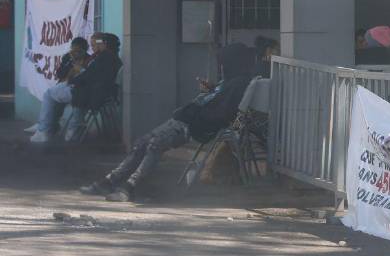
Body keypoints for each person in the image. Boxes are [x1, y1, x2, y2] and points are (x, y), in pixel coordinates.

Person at [80, 43, 254, 202]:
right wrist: (210, 91)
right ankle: (110, 181)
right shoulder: (231, 81)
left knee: (155, 145)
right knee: (141, 143)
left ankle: (130, 186)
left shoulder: (239, 84)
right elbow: (219, 100)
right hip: (186, 120)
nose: (221, 67)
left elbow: (225, 113)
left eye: (223, 63)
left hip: (194, 125)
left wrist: (199, 112)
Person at [30, 32, 122, 143]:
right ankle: (57, 127)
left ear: (104, 44)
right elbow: (90, 75)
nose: (94, 47)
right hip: (95, 92)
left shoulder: (104, 58)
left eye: (96, 44)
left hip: (89, 93)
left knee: (49, 94)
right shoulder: (113, 59)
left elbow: (88, 76)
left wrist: (74, 79)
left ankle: (44, 130)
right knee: (57, 91)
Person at [24, 37, 91, 135]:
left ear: (84, 50)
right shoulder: (67, 57)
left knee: (55, 97)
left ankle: (47, 125)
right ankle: (46, 124)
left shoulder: (88, 60)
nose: (75, 52)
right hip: (64, 84)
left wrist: (78, 67)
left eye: (78, 50)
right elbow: (59, 74)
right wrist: (71, 62)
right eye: (73, 49)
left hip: (77, 88)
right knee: (52, 98)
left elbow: (85, 78)